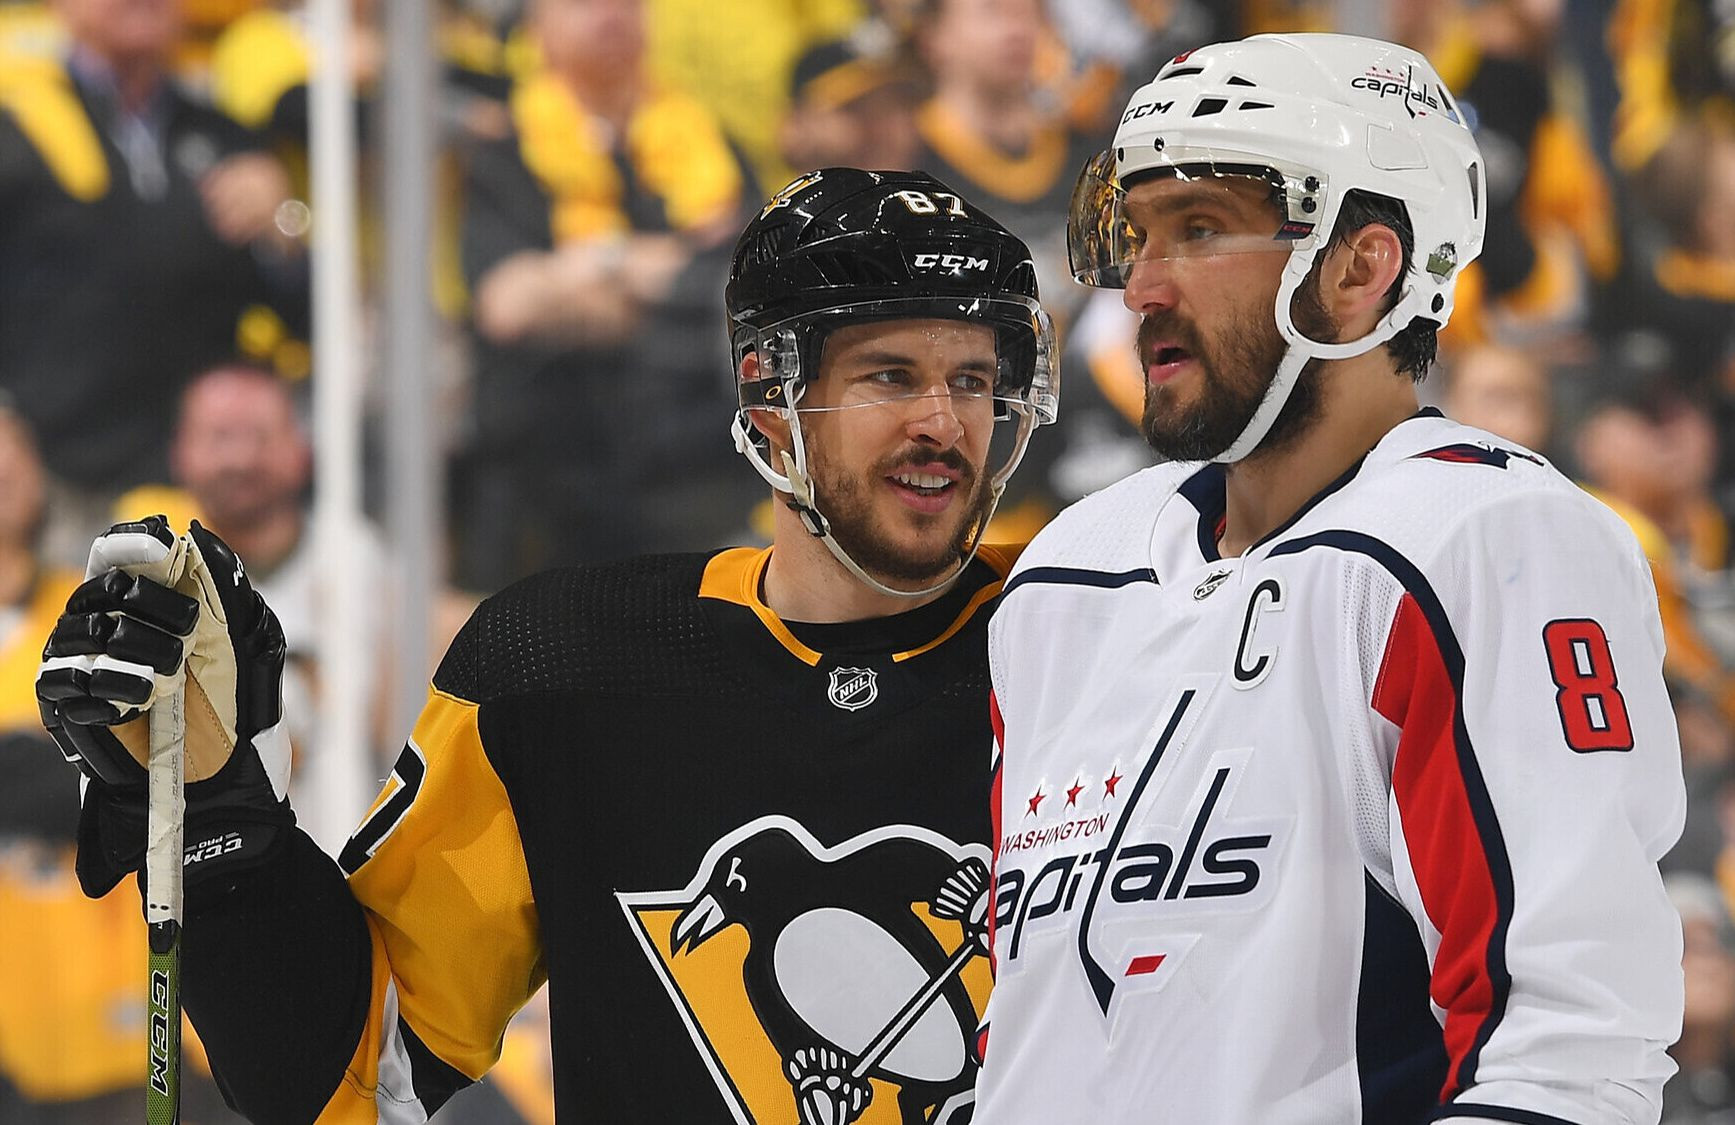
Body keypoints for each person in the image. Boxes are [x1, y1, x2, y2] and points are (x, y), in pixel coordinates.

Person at [35, 167, 1059, 1123]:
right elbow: (352, 1073)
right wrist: (222, 832)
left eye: (973, 380)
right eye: (891, 376)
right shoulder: (566, 668)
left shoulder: (1085, 630)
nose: (944, 423)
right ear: (768, 396)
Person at [977, 32, 1684, 1124]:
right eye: (1139, 235)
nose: (1143, 287)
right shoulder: (1068, 571)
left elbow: (1569, 1053)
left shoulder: (1483, 540)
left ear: (1360, 268)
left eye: (1198, 229)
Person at [0, 0, 306, 561]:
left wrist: (283, 227)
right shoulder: (17, 127)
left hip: (200, 493)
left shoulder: (222, 135)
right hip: (55, 488)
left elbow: (303, 313)